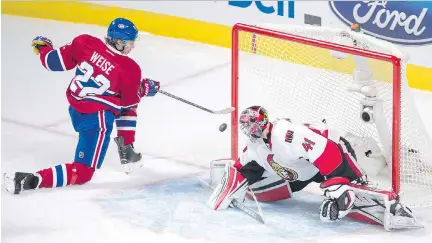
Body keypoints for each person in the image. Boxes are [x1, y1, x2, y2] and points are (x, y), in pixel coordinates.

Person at [4, 17, 160, 195]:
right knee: (84, 172)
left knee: (119, 97)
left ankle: (127, 150)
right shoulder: (130, 69)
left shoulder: (85, 42)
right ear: (118, 42)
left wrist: (43, 47)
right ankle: (32, 179)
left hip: (76, 109)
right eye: (130, 42)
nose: (133, 46)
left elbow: (52, 62)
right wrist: (145, 88)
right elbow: (129, 103)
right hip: (97, 119)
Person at [207, 106, 421, 231]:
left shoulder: (286, 134)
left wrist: (336, 184)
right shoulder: (254, 146)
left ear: (263, 122)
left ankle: (391, 209)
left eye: (252, 124)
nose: (249, 129)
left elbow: (326, 150)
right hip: (301, 168)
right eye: (246, 125)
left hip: (334, 151)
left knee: (348, 194)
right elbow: (242, 167)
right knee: (258, 194)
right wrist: (229, 187)